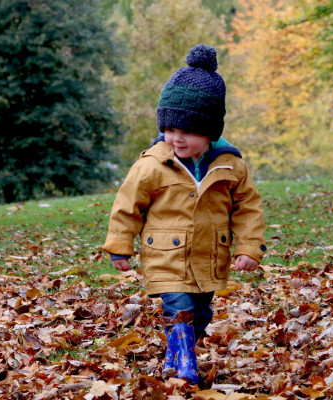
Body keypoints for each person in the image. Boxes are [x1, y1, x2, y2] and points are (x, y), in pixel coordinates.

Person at [102, 43, 266, 384]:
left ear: (209, 131)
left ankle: (175, 357)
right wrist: (120, 243)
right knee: (179, 308)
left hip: (209, 258)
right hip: (165, 255)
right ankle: (187, 367)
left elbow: (247, 208)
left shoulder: (230, 164)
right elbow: (128, 203)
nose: (176, 138)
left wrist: (249, 248)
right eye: (170, 129)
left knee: (202, 313)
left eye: (187, 131)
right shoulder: (153, 164)